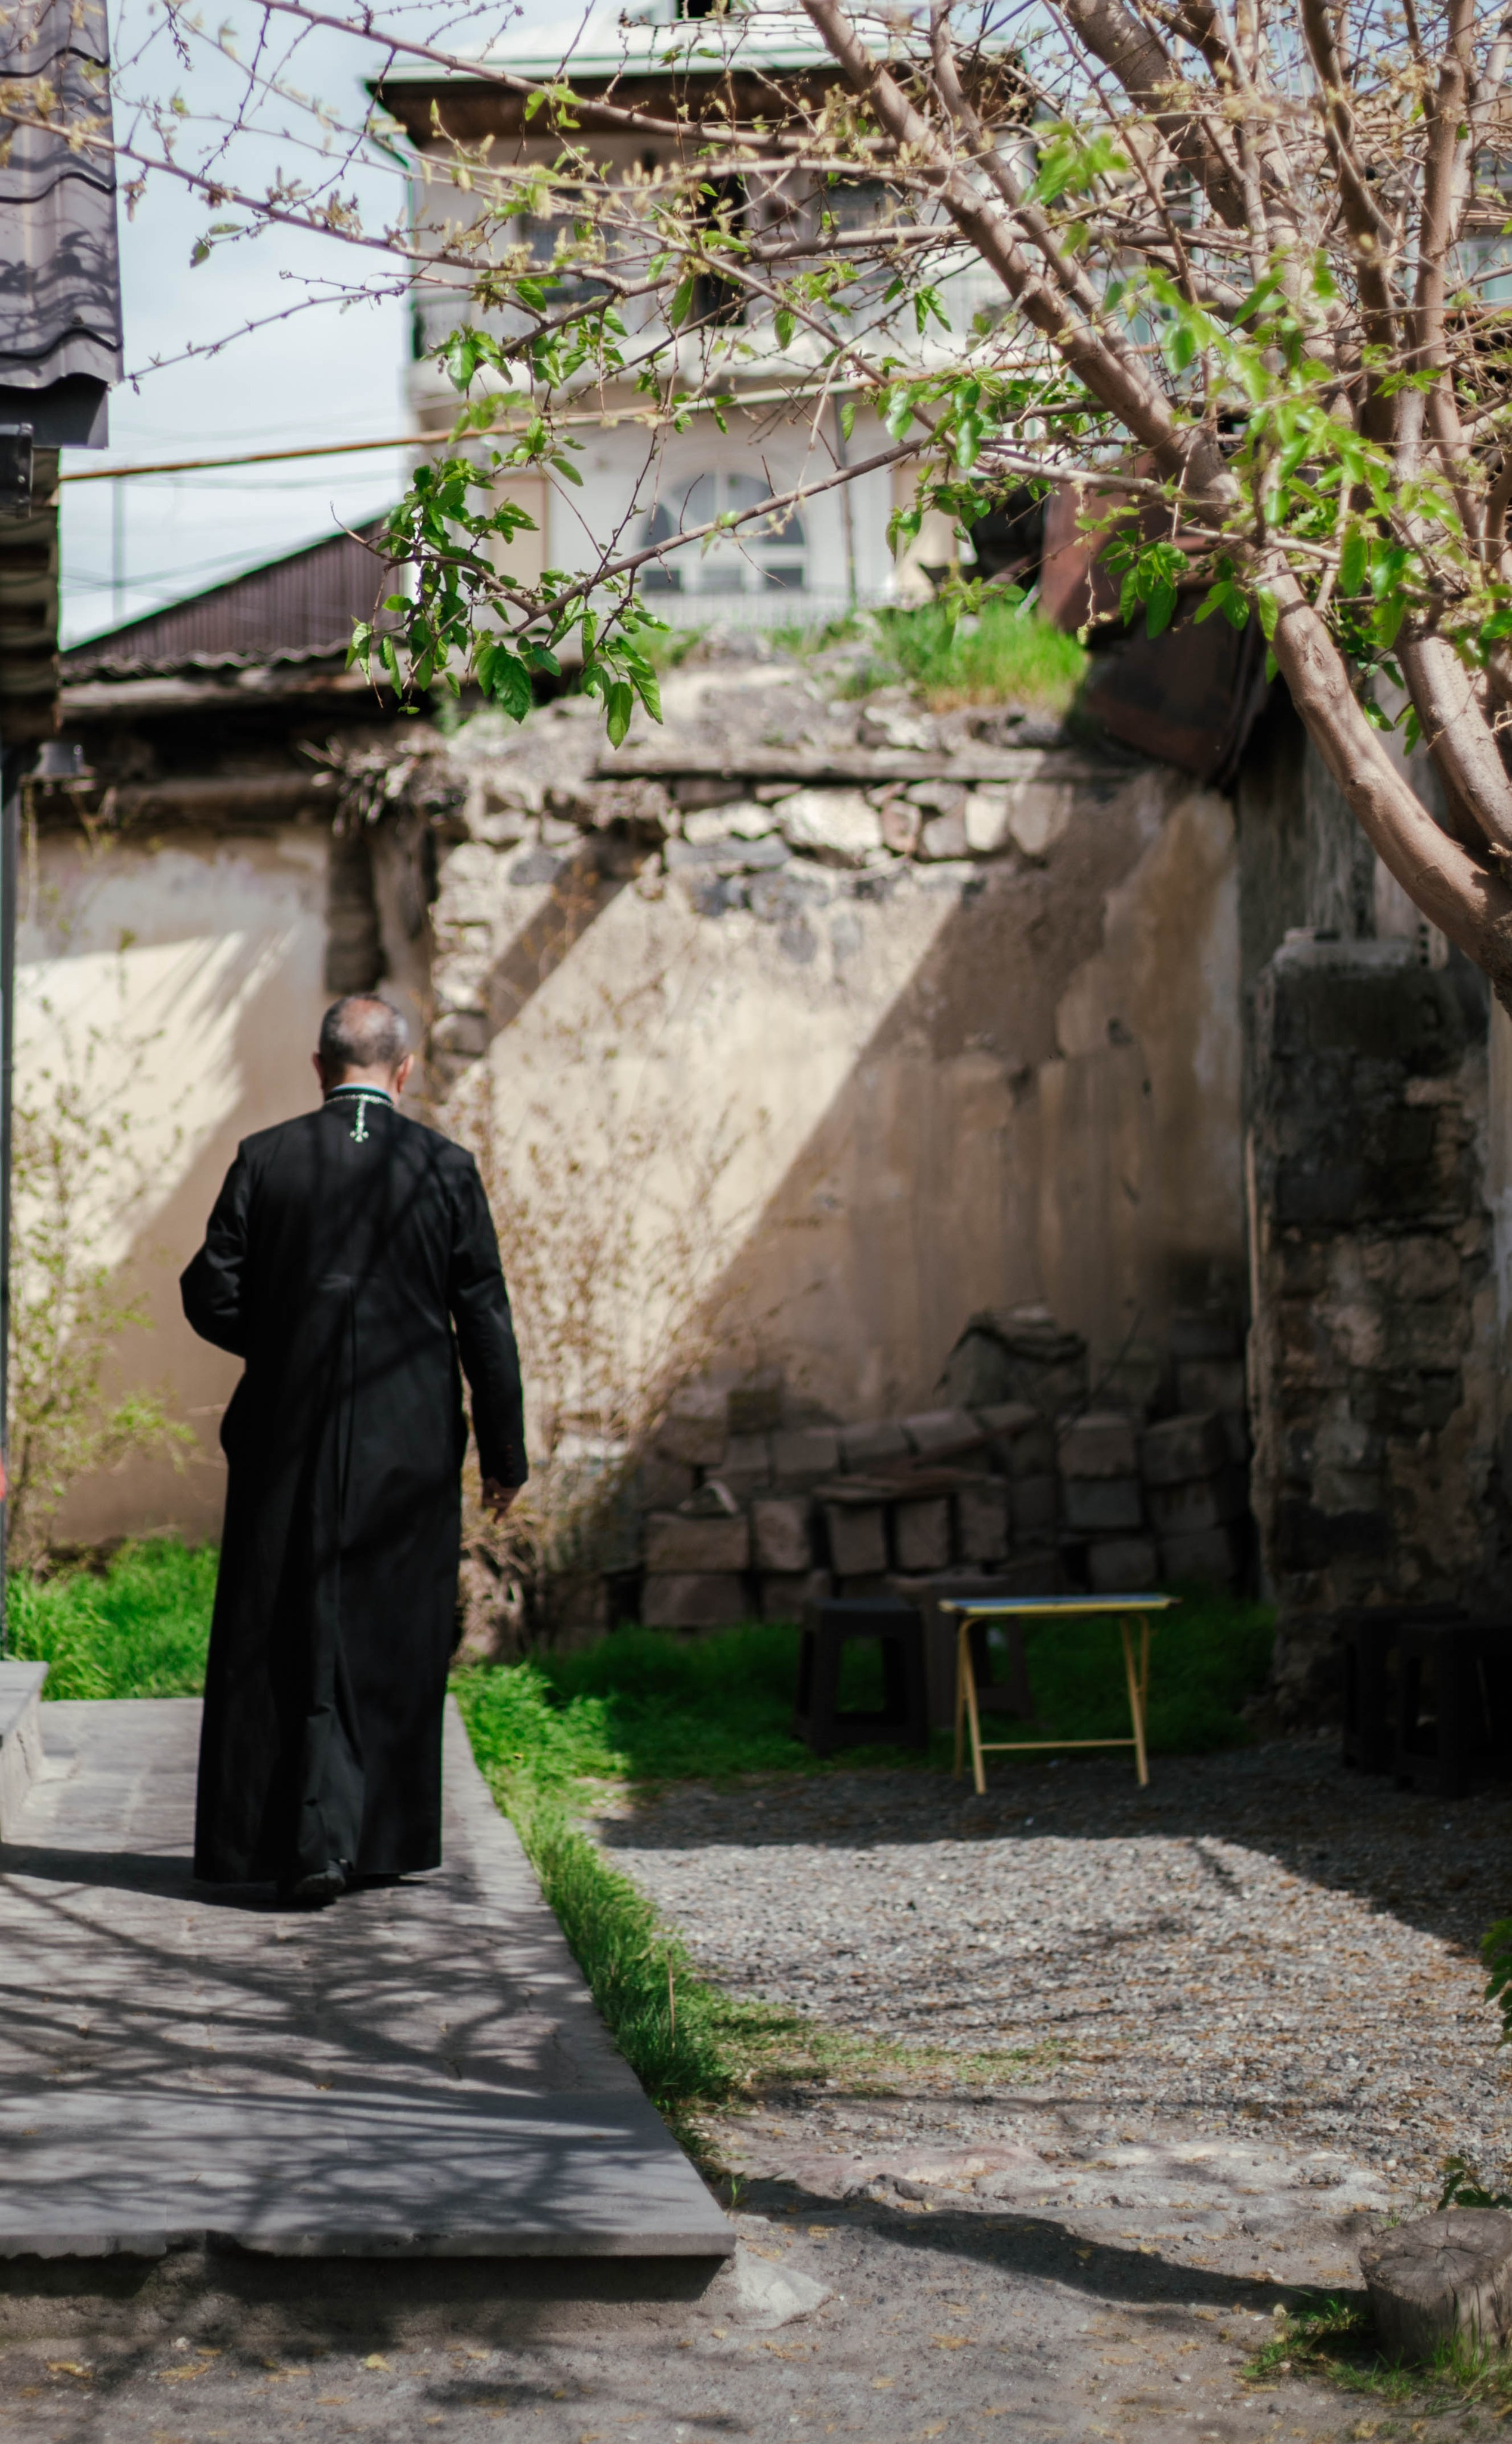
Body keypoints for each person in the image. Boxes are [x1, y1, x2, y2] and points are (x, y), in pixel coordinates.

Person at [180, 994, 527, 1906]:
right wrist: (504, 1456)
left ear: (317, 1065)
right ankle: (373, 1840)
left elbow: (208, 1292)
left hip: (285, 1435)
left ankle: (281, 1840)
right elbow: (484, 1316)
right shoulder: (444, 1169)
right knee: (390, 1627)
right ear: (403, 1069)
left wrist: (292, 1338)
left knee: (280, 1620)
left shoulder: (266, 1158)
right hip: (408, 1442)